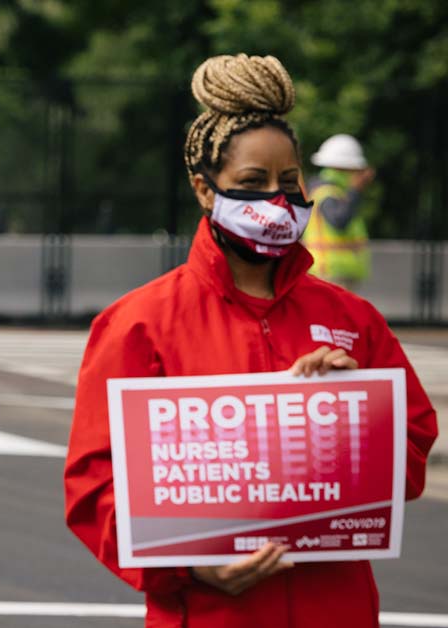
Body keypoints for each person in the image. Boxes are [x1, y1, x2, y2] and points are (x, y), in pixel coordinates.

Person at [64, 54, 438, 627]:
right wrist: (186, 567)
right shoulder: (139, 324)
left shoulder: (353, 319)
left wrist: (357, 411)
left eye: (289, 183)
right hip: (211, 613)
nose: (276, 199)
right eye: (252, 183)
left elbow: (410, 461)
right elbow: (94, 490)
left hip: (335, 610)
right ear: (204, 189)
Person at [303, 134, 375, 291]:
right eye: (355, 169)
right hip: (330, 273)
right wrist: (355, 190)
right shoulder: (326, 192)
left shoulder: (337, 192)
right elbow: (339, 221)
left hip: (337, 273)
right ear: (343, 168)